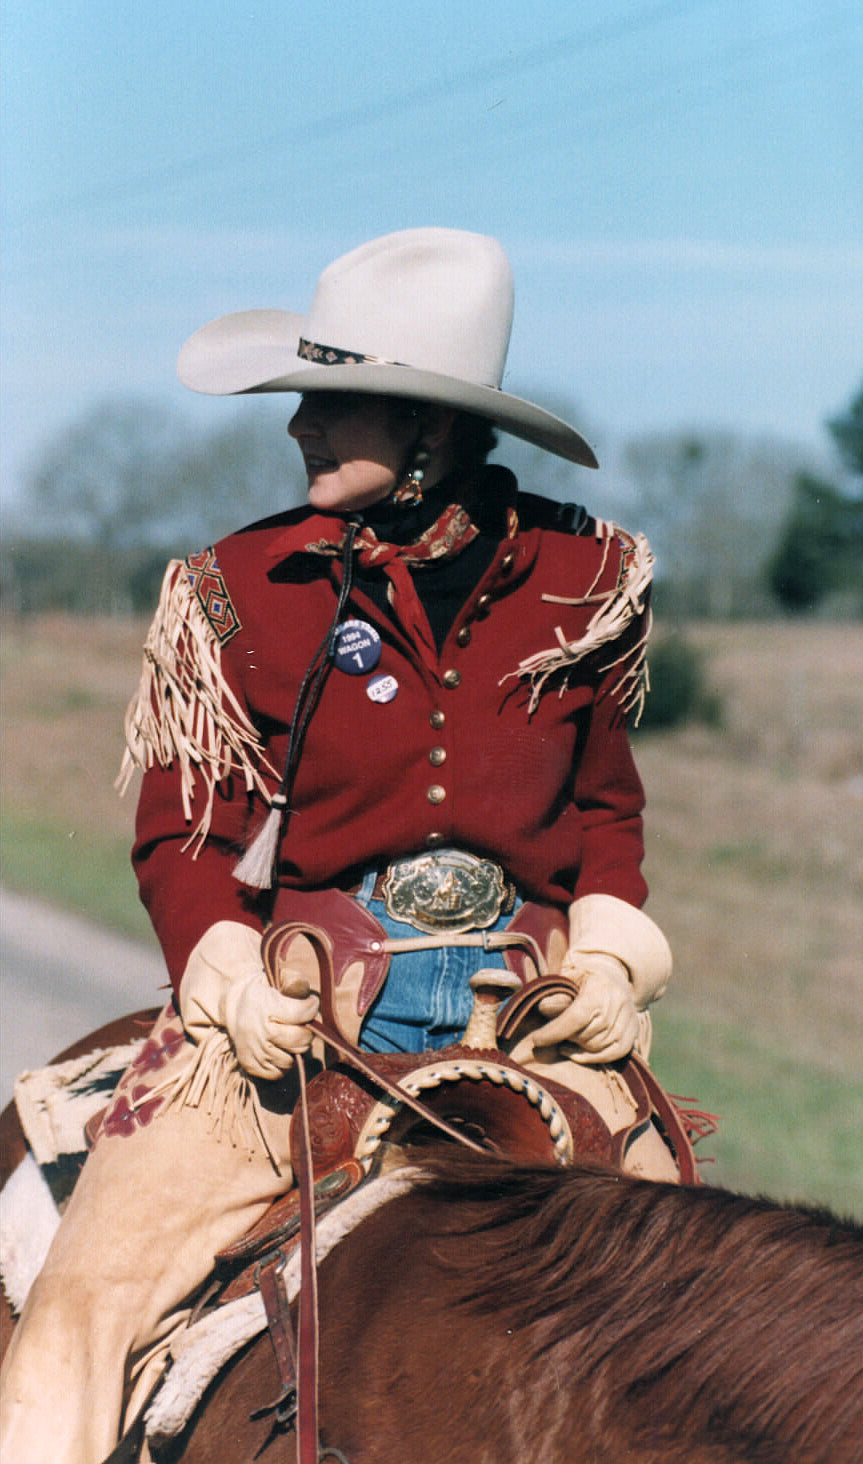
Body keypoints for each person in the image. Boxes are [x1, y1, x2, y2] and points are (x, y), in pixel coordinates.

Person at [0, 227, 677, 1462]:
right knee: (82, 1302)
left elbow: (606, 812)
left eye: (334, 401)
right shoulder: (240, 588)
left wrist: (610, 960)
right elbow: (186, 828)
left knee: (692, 1321)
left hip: (527, 1020)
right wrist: (222, 965)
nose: (299, 428)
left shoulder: (586, 579)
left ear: (432, 432)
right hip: (290, 1015)